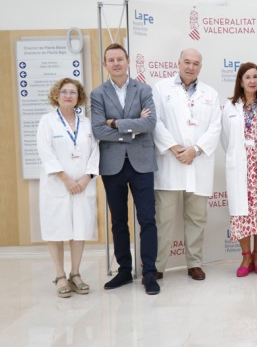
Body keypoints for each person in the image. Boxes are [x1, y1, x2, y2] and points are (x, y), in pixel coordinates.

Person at [91, 43, 160, 295]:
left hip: (141, 164)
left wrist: (116, 123)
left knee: (147, 219)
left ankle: (149, 272)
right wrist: (132, 129)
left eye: (120, 59)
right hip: (112, 165)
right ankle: (123, 270)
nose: (116, 63)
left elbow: (150, 123)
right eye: (111, 60)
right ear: (105, 64)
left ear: (128, 61)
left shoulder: (143, 89)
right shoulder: (97, 94)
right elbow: (98, 129)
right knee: (119, 221)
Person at [152, 48, 222, 281]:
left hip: (198, 162)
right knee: (164, 219)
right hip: (170, 163)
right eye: (187, 62)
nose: (190, 67)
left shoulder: (210, 93)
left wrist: (195, 150)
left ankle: (194, 263)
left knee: (197, 218)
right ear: (178, 62)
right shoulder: (161, 88)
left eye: (195, 63)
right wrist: (174, 148)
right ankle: (158, 266)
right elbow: (155, 121)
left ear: (201, 66)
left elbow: (215, 127)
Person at [37, 78, 99, 298]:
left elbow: (95, 152)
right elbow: (46, 153)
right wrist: (66, 179)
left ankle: (75, 274)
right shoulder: (47, 121)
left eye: (73, 92)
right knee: (55, 230)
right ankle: (60, 275)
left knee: (79, 229)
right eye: (64, 92)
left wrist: (85, 179)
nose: (68, 95)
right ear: (57, 95)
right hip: (58, 185)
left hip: (82, 186)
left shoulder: (87, 123)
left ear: (78, 97)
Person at [221, 62, 257, 277]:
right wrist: (237, 155)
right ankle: (245, 257)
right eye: (248, 77)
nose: (252, 81)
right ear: (241, 81)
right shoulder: (230, 106)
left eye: (255, 77)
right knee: (241, 213)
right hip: (239, 168)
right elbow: (225, 138)